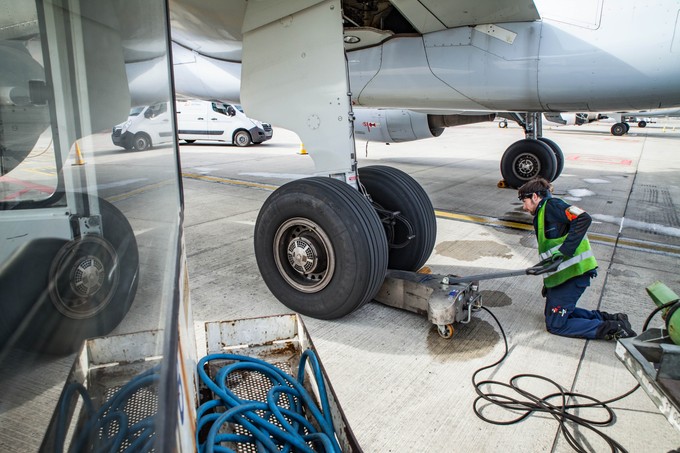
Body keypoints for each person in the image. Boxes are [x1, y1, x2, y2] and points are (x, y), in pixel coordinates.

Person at [517, 177, 636, 340]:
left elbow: (583, 218)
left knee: (556, 324)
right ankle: (612, 319)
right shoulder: (543, 213)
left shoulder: (553, 206)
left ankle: (612, 328)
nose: (524, 207)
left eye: (525, 201)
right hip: (565, 275)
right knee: (552, 313)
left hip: (575, 273)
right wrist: (547, 281)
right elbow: (551, 249)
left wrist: (565, 251)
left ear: (535, 197)